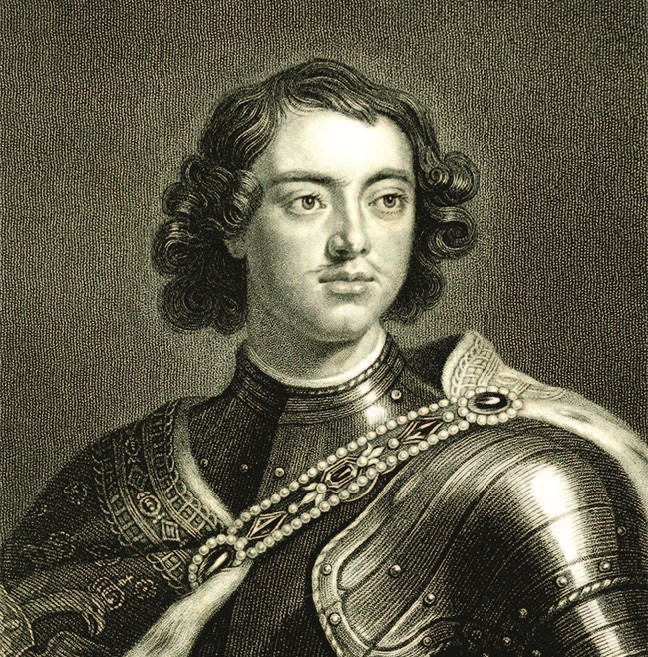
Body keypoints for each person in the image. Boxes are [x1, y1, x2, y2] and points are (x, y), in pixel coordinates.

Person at [1, 59, 647, 657]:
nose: (353, 240)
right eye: (308, 200)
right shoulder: (118, 480)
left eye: (386, 199)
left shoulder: (527, 480)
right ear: (232, 225)